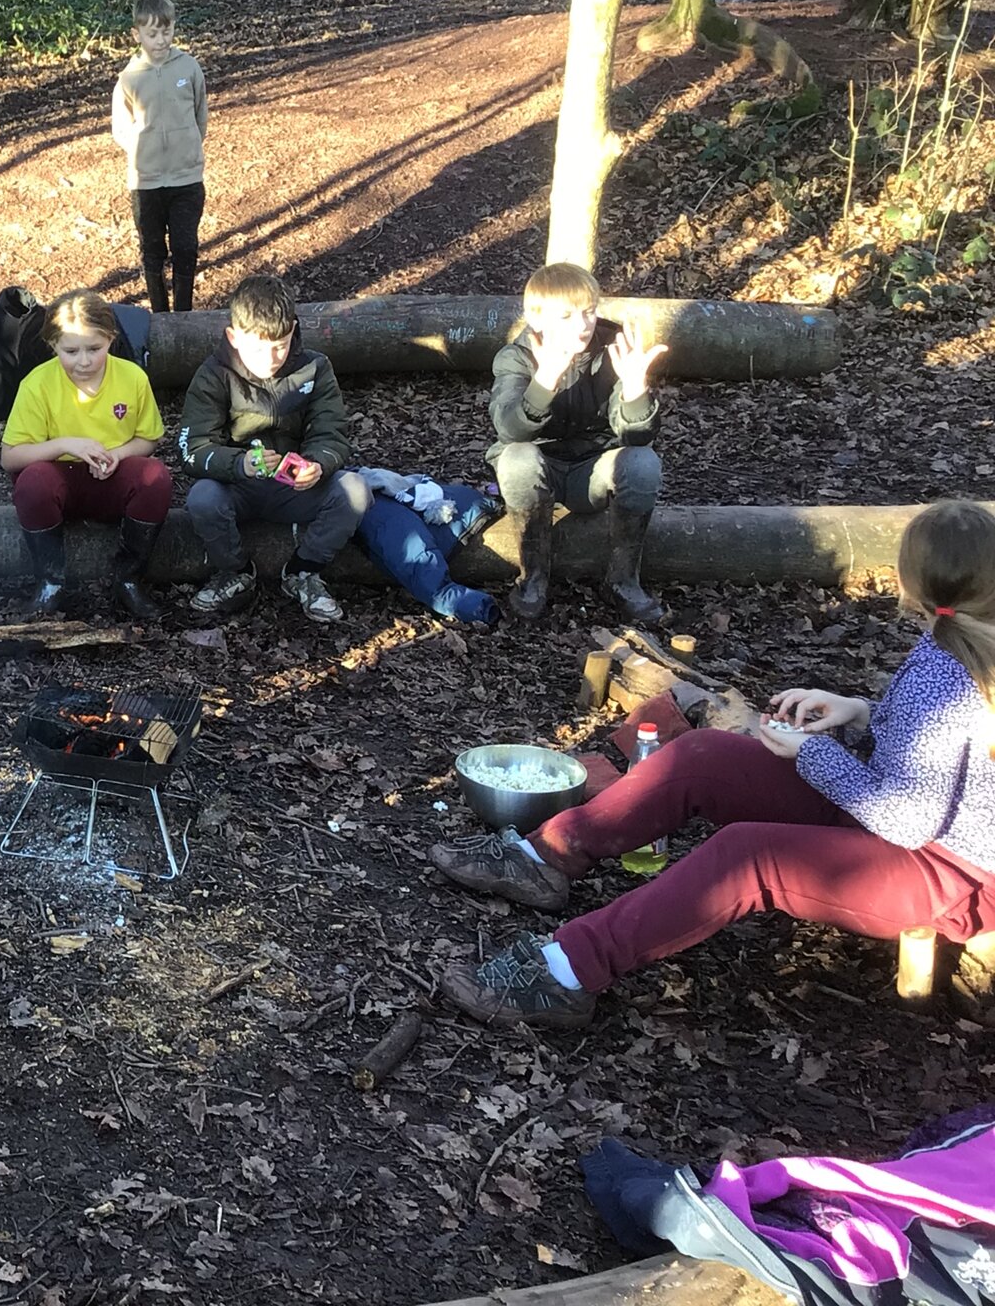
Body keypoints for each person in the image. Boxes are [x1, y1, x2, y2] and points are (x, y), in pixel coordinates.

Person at [431, 500, 995, 1029]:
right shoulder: (949, 641)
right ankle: (546, 855)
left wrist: (813, 752)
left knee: (747, 856)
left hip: (948, 874)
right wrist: (858, 711)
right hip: (884, 813)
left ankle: (567, 972)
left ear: (907, 582)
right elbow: (939, 755)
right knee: (702, 755)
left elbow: (912, 821)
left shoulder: (947, 666)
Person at [178, 275, 369, 623]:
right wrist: (240, 464)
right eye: (257, 348)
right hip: (237, 486)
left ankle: (303, 572)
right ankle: (236, 572)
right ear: (233, 337)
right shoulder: (212, 375)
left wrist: (318, 465)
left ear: (293, 331)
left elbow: (332, 434)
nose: (270, 358)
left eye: (280, 345)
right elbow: (192, 449)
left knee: (355, 491)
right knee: (202, 498)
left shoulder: (316, 367)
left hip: (294, 488)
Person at [489, 262, 667, 624]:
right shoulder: (517, 357)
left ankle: (623, 580)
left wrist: (635, 389)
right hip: (542, 470)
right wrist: (545, 383)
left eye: (589, 311)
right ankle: (533, 576)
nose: (583, 324)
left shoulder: (615, 349)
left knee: (643, 462)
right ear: (536, 319)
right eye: (567, 315)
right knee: (516, 459)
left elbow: (637, 437)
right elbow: (509, 430)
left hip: (594, 470)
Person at [1, 288, 171, 620]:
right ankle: (51, 582)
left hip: (110, 479)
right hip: (59, 483)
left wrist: (117, 455)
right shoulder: (37, 384)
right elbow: (10, 457)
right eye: (71, 351)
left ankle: (128, 578)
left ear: (110, 338)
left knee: (155, 477)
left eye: (95, 348)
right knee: (33, 481)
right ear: (53, 346)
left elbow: (149, 438)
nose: (84, 361)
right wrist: (65, 445)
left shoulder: (132, 377)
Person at [111, 0, 208, 313]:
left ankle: (183, 313)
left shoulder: (189, 68)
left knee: (185, 246)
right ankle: (159, 313)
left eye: (166, 31)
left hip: (186, 178)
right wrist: (144, 151)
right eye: (153, 33)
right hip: (146, 182)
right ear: (137, 34)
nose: (161, 40)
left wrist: (188, 148)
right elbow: (121, 128)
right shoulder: (129, 78)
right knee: (152, 249)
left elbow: (200, 114)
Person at [351, 469, 503, 626]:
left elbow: (416, 556)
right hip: (462, 505)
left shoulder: (372, 510)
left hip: (460, 511)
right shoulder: (368, 503)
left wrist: (475, 606)